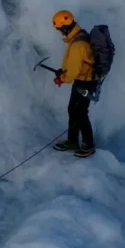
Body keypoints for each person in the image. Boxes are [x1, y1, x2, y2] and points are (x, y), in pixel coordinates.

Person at [50, 10, 96, 158]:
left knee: (80, 112)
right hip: (83, 80)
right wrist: (62, 71)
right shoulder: (78, 36)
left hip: (85, 82)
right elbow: (76, 64)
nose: (60, 32)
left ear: (65, 27)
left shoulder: (77, 44)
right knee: (73, 110)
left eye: (59, 29)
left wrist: (61, 78)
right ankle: (72, 140)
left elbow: (74, 72)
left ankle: (88, 145)